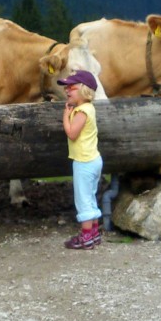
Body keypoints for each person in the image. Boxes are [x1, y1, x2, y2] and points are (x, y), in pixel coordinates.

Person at [58, 69, 104, 249]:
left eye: (72, 87)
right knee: (90, 197)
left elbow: (72, 134)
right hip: (93, 160)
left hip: (84, 162)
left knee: (83, 200)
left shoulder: (82, 111)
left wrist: (65, 117)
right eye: (66, 87)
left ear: (85, 90)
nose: (67, 90)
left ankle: (86, 239)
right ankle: (94, 233)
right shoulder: (88, 108)